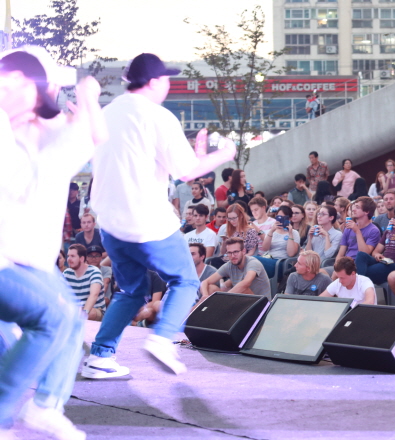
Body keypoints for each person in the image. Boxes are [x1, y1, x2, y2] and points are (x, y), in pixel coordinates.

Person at [84, 53, 237, 378]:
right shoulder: (157, 116)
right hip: (147, 222)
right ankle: (162, 338)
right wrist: (224, 154)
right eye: (166, 79)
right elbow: (187, 173)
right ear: (153, 82)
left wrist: (196, 156)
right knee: (185, 280)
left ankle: (100, 356)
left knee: (131, 291)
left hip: (110, 223)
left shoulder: (107, 113)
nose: (168, 84)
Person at [0, 46, 106, 439]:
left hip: (27, 259)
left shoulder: (35, 134)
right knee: (56, 317)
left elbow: (95, 136)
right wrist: (88, 99)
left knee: (67, 320)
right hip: (13, 258)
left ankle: (44, 405)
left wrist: (85, 102)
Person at [355, 199, 395, 285]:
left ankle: (357, 284)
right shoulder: (389, 230)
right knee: (361, 255)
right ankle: (359, 283)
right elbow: (375, 251)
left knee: (361, 272)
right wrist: (377, 255)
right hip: (384, 261)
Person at [200, 237, 271, 298]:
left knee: (243, 289)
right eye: (229, 253)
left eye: (236, 252)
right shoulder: (229, 265)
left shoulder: (253, 263)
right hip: (242, 302)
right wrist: (205, 296)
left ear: (243, 251)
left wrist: (224, 298)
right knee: (210, 288)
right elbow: (205, 282)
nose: (233, 256)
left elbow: (246, 283)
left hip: (261, 303)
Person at [257, 205, 301, 278]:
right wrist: (271, 231)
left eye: (284, 218)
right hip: (269, 259)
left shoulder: (294, 233)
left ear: (290, 219)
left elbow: (291, 253)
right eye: (279, 217)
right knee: (251, 262)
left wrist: (290, 233)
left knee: (254, 260)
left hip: (283, 263)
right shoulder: (271, 231)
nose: (281, 220)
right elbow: (265, 248)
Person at [335, 196, 381, 262]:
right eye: (354, 207)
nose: (353, 210)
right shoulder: (348, 228)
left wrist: (357, 231)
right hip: (346, 263)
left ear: (366, 211)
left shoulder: (374, 230)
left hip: (361, 264)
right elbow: (340, 254)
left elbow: (364, 253)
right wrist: (337, 266)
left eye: (357, 207)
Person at [65, 245, 104, 322]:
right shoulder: (67, 273)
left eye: (72, 256)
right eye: (68, 256)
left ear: (82, 259)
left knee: (91, 313)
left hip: (94, 309)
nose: (69, 259)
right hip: (74, 309)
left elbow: (94, 294)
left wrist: (84, 313)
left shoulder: (94, 271)